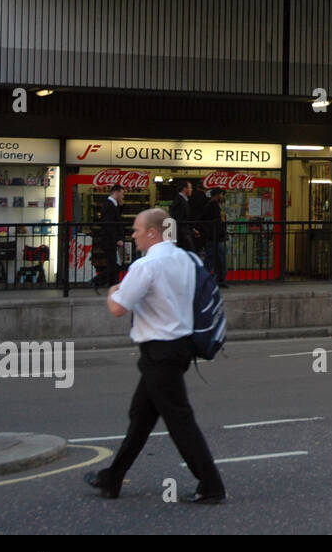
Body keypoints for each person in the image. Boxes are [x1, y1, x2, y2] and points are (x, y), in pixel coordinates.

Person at [84, 207, 225, 503]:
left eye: (136, 230)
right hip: (180, 347)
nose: (133, 236)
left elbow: (118, 307)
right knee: (141, 417)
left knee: (179, 422)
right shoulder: (187, 259)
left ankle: (211, 485)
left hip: (159, 352)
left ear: (152, 232)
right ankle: (113, 478)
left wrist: (111, 291)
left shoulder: (146, 265)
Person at [94, 184, 125, 294]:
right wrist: (117, 238)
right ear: (116, 192)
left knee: (113, 264)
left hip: (110, 239)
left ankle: (113, 286)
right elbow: (109, 225)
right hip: (109, 240)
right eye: (122, 194)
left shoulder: (112, 205)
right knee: (113, 265)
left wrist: (120, 206)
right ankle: (96, 281)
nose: (123, 196)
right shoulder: (108, 206)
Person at [202, 188, 229, 287]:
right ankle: (215, 280)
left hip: (213, 237)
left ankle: (216, 279)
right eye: (221, 194)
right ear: (217, 195)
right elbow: (215, 222)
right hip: (214, 237)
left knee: (214, 260)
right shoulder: (213, 206)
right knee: (214, 260)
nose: (222, 196)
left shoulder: (211, 205)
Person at [167, 180, 198, 254]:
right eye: (190, 188)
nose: (191, 190)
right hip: (182, 234)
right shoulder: (179, 201)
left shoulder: (181, 200)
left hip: (183, 232)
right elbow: (178, 218)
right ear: (185, 189)